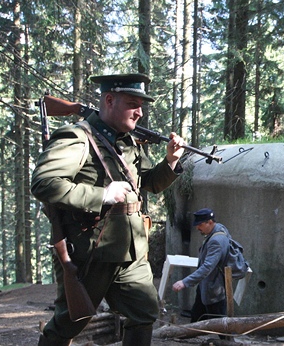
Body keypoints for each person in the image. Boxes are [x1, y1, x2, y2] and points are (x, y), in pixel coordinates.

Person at [32, 73, 186, 346]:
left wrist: (171, 162)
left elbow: (149, 182)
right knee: (70, 322)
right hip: (91, 252)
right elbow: (44, 184)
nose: (139, 112)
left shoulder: (127, 143)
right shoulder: (77, 137)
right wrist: (102, 194)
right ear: (109, 100)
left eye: (141, 105)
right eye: (132, 103)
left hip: (132, 251)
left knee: (144, 313)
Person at [172, 208, 231, 323]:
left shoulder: (216, 241)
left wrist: (184, 282)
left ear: (210, 222)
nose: (197, 228)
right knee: (197, 315)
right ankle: (188, 333)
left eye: (200, 224)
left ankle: (229, 340)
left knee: (220, 323)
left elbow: (207, 267)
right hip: (206, 285)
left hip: (213, 287)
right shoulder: (219, 229)